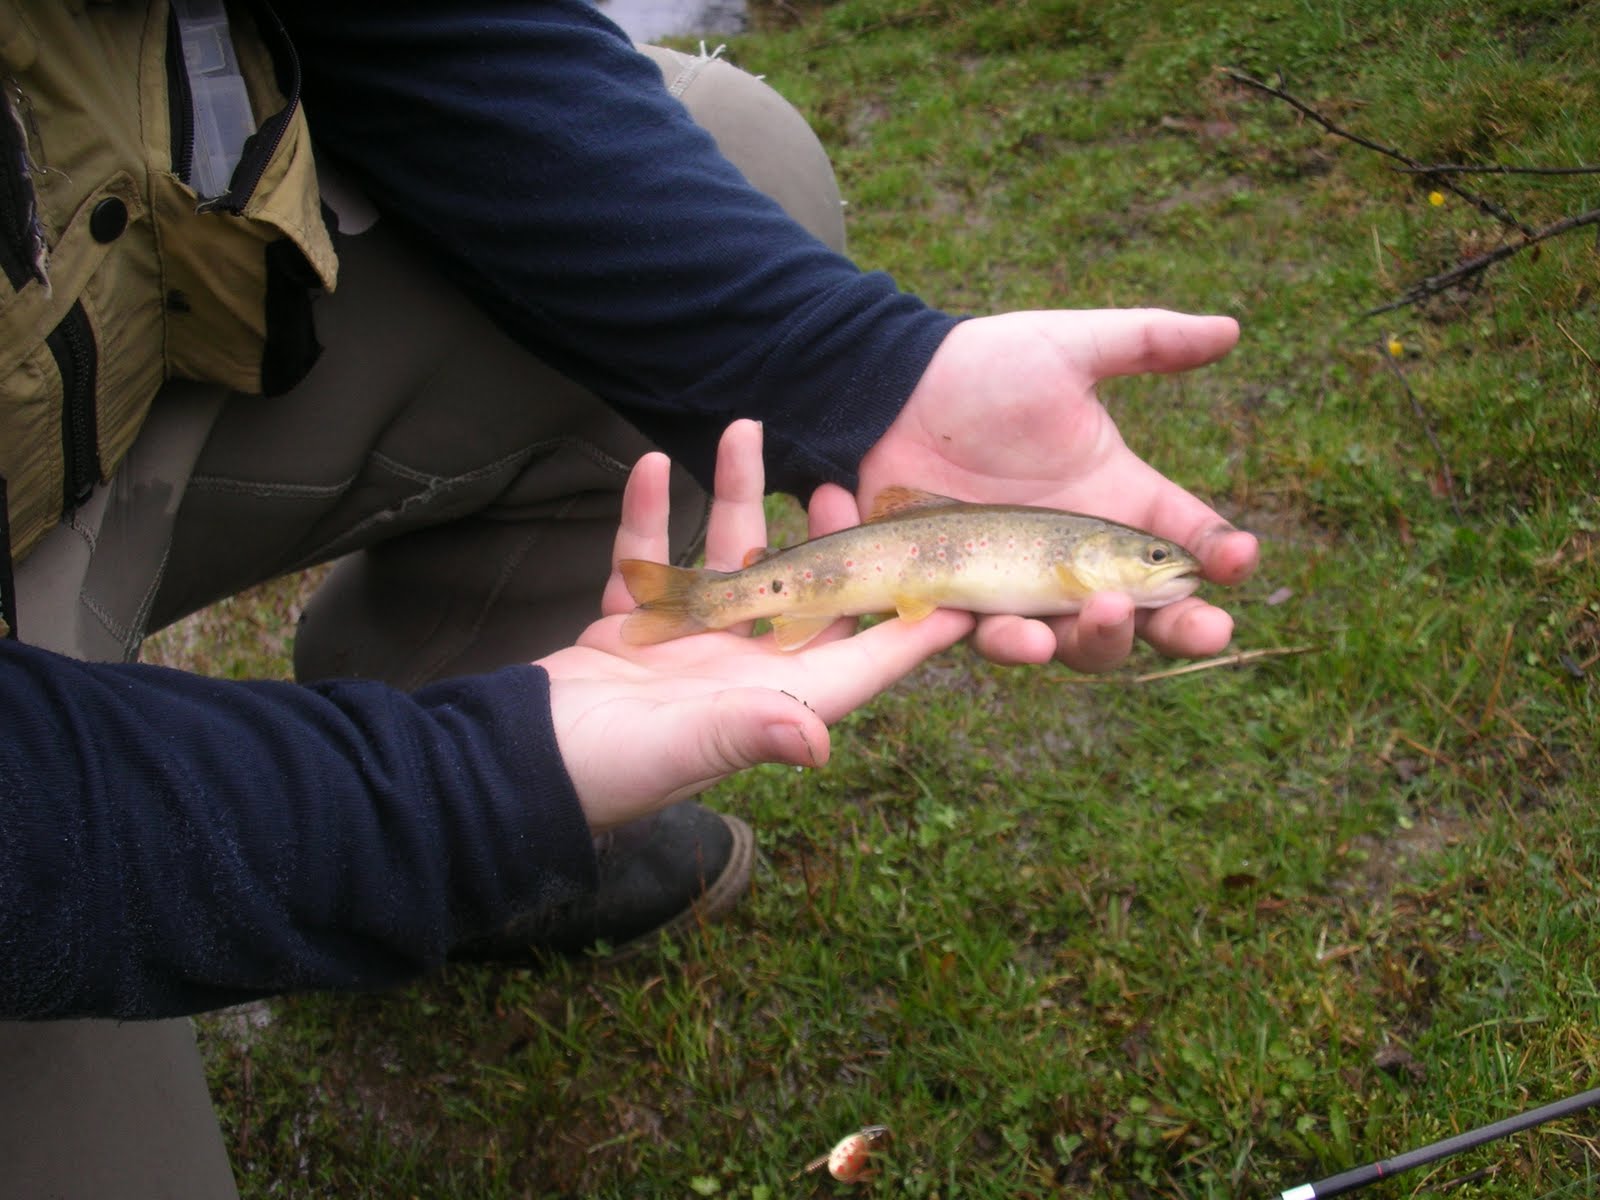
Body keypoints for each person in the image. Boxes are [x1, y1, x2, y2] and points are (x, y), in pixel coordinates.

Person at [0, 2, 1258, 1195]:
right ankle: (464, 826)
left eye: (1146, 565)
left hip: (130, 292)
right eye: (1148, 561)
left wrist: (864, 366)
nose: (1158, 568)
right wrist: (450, 790)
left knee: (741, 153)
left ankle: (491, 805)